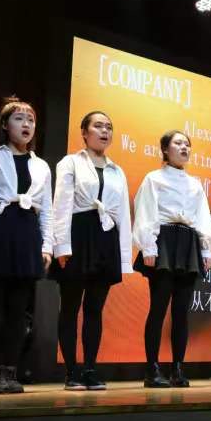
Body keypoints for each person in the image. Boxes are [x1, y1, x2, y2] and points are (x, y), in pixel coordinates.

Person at [0, 97, 53, 394]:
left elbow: (47, 209)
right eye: (19, 118)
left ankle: (9, 370)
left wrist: (47, 245)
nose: (26, 124)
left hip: (27, 232)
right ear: (5, 125)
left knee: (18, 310)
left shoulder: (41, 166)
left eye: (31, 119)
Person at [133, 130, 211, 387]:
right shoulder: (153, 178)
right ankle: (152, 369)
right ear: (165, 149)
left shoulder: (195, 184)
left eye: (187, 144)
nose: (184, 147)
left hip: (188, 243)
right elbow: (145, 211)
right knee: (159, 307)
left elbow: (202, 217)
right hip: (163, 242)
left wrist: (206, 251)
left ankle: (177, 368)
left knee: (182, 311)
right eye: (178, 143)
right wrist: (148, 247)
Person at [52, 111, 132, 391]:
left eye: (109, 127)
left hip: (106, 238)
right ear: (84, 133)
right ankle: (71, 371)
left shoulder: (117, 170)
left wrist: (123, 256)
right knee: (70, 307)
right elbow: (61, 204)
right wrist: (61, 246)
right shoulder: (71, 162)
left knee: (95, 309)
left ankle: (89, 369)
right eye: (98, 126)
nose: (105, 131)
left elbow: (122, 214)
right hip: (77, 235)